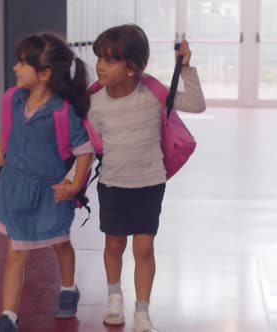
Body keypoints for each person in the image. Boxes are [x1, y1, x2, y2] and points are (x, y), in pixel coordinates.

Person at [55, 24, 206, 332]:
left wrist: (186, 67)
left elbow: (196, 104)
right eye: (99, 58)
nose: (99, 65)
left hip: (150, 184)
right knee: (113, 246)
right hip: (113, 185)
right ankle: (114, 297)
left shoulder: (153, 94)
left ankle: (142, 310)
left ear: (132, 68)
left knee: (144, 249)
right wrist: (72, 181)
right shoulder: (94, 103)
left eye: (110, 60)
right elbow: (86, 148)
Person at [0, 33, 93, 332]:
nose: (16, 69)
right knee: (15, 251)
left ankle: (68, 288)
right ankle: (8, 316)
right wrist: (0, 145)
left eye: (22, 63)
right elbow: (9, 125)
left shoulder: (62, 112)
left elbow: (85, 151)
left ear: (44, 74)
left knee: (60, 243)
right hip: (13, 189)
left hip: (48, 194)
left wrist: (74, 184)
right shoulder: (13, 98)